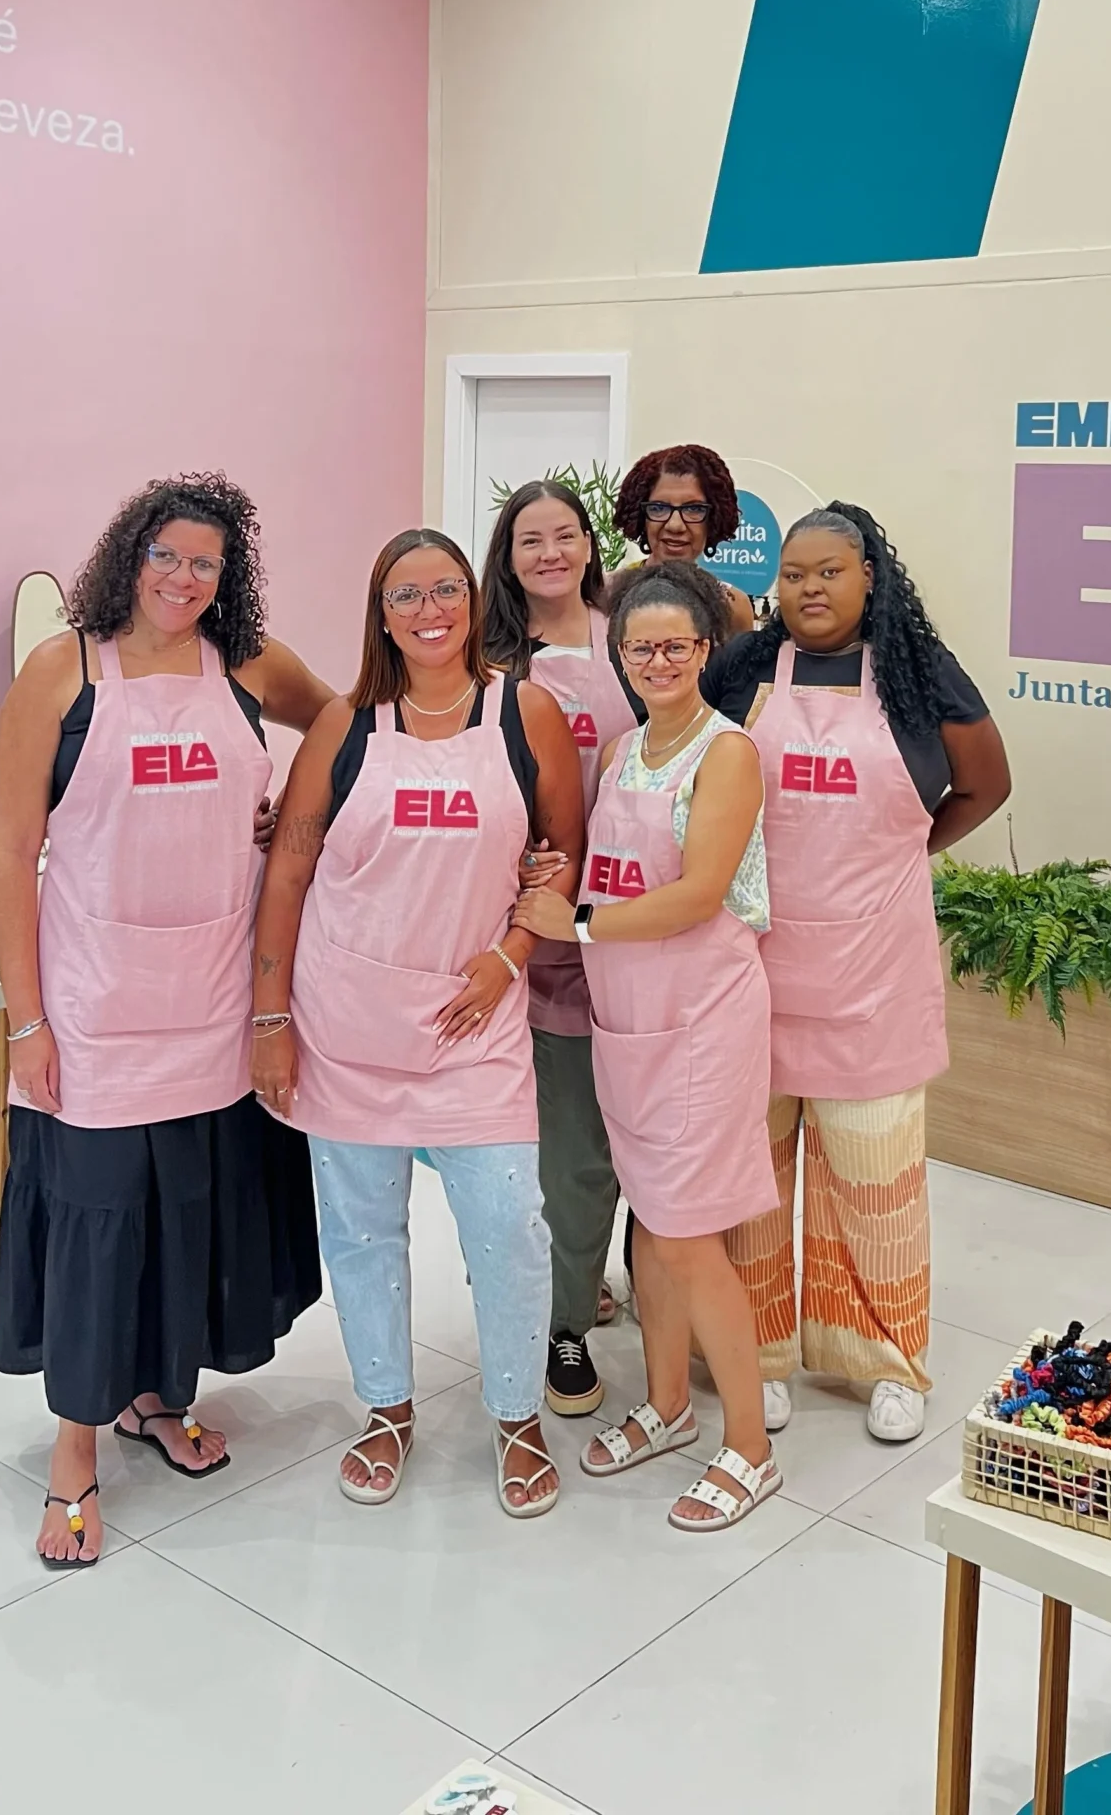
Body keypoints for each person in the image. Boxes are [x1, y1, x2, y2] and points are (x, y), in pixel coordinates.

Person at [0, 472, 334, 1570]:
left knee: (185, 1210)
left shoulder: (242, 665)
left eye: (207, 565)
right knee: (98, 1223)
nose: (185, 581)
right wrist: (25, 1020)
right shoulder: (62, 670)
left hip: (210, 999)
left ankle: (154, 1393)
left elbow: (336, 718)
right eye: (167, 558)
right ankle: (74, 1454)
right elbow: (9, 854)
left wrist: (296, 804)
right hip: (91, 1005)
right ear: (127, 558)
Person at [249, 529, 584, 1517]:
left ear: (473, 601)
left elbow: (560, 855)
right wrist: (272, 1015)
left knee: (510, 1229)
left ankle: (518, 1415)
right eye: (407, 594)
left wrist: (509, 956)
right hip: (346, 1021)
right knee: (360, 1233)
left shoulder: (526, 715)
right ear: (381, 612)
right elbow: (290, 875)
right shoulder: (347, 728)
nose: (429, 608)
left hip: (472, 1021)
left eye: (446, 589)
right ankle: (386, 1407)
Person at [705, 502, 1011, 1444]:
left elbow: (986, 784)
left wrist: (907, 851)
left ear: (870, 574)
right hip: (752, 978)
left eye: (829, 571)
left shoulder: (921, 676)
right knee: (753, 1176)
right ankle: (760, 1352)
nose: (808, 588)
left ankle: (886, 1360)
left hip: (872, 976)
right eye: (793, 573)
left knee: (875, 1182)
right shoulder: (744, 672)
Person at [515, 562, 781, 1532]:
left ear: (707, 650)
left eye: (677, 644)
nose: (659, 659)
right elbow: (595, 864)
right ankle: (668, 1406)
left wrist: (574, 921)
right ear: (618, 656)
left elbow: (700, 892)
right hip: (628, 1027)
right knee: (656, 1242)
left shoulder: (728, 753)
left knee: (684, 1235)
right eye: (641, 646)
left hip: (702, 1027)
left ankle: (748, 1446)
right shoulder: (624, 748)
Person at [480, 480, 641, 1420]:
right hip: (538, 928)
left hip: (646, 917)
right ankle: (565, 1319)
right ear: (506, 557)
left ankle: (625, 1288)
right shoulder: (488, 661)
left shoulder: (639, 638)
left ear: (590, 545)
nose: (549, 553)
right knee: (570, 1147)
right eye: (528, 539)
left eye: (565, 535)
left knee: (648, 1134)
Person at [611, 443, 757, 637]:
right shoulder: (607, 594)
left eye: (694, 509)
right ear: (640, 515)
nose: (675, 525)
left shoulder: (732, 606)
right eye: (659, 508)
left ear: (714, 519)